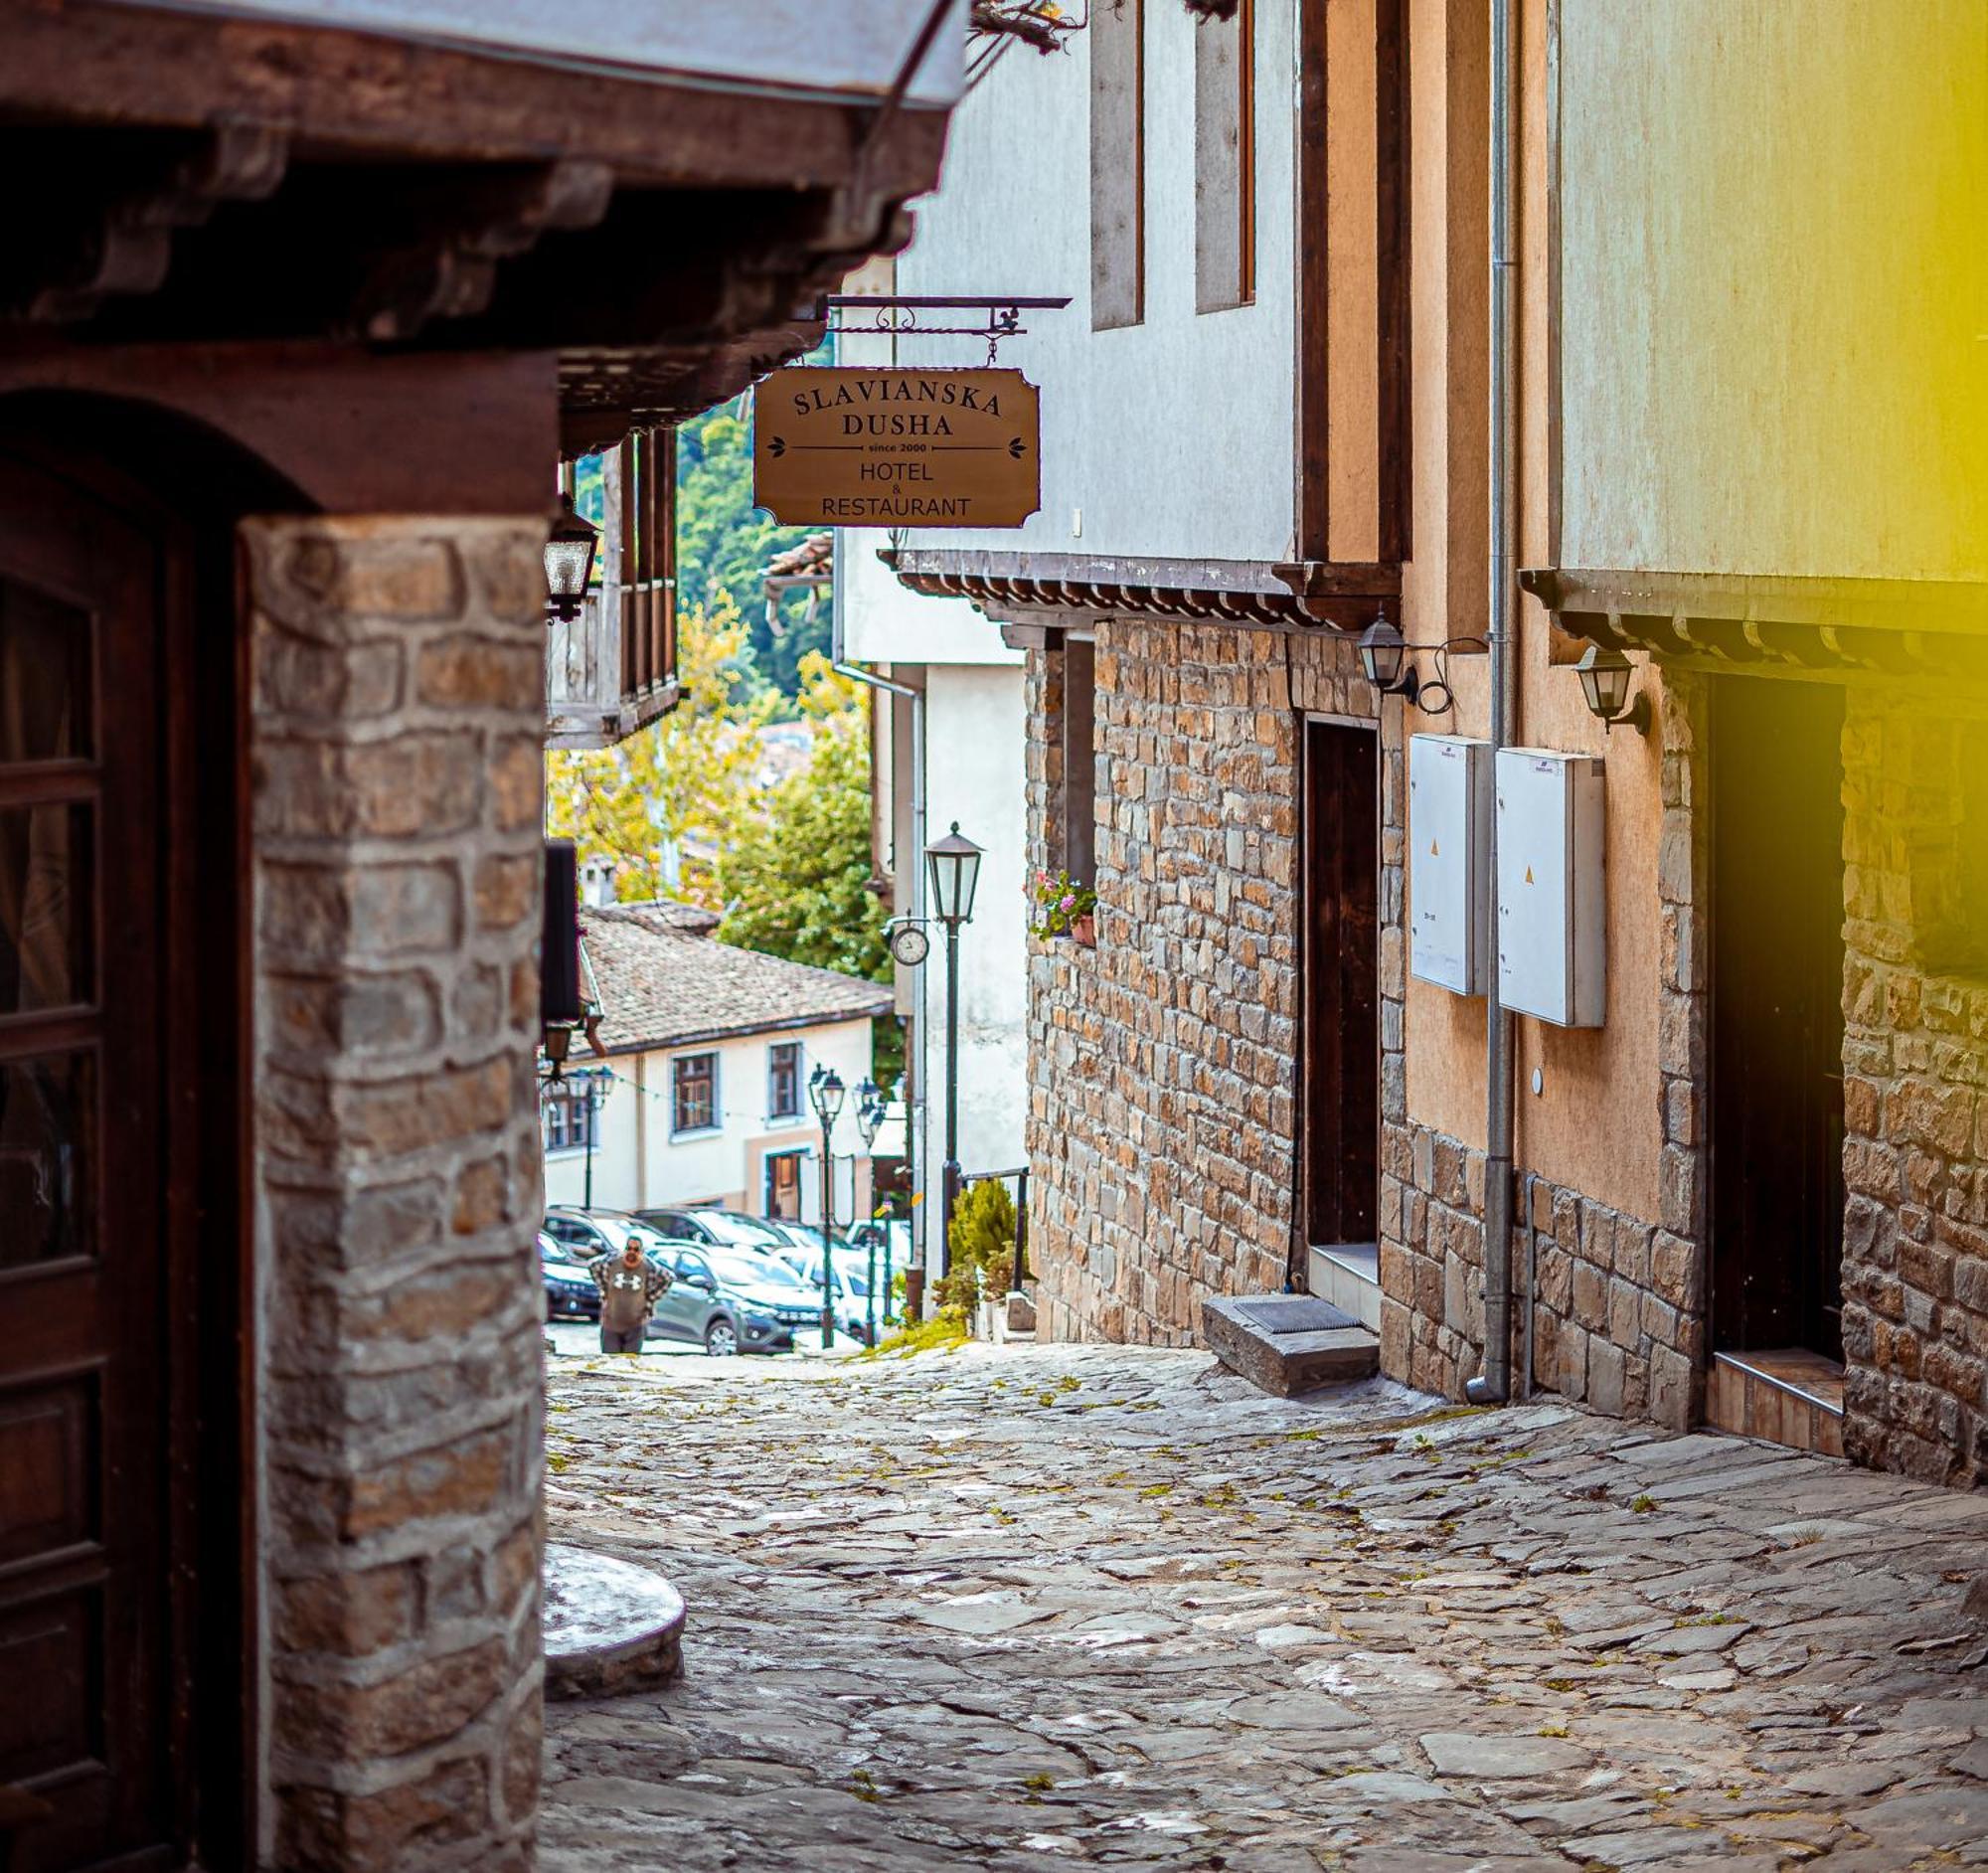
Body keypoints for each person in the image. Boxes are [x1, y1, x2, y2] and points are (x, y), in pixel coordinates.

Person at [588, 1236, 672, 1354]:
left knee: (629, 1364)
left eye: (636, 1249)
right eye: (629, 1248)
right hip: (610, 1325)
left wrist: (650, 1300)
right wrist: (604, 1290)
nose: (631, 1252)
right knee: (610, 1363)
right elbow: (592, 1265)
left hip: (635, 1326)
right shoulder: (612, 1263)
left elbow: (668, 1277)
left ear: (641, 1252)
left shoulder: (648, 1267)